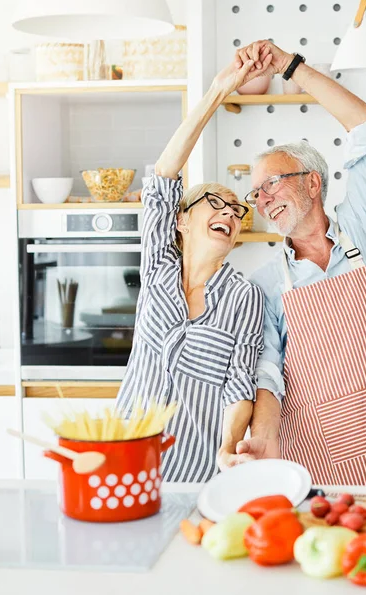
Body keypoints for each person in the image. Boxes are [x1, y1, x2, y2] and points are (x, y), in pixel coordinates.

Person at [224, 41, 366, 485]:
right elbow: (267, 369)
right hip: (322, 449)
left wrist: (288, 66)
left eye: (272, 184)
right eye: (255, 194)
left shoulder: (362, 232)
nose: (261, 200)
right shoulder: (264, 284)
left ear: (313, 183)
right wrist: (262, 435)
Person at [116, 57, 272, 483]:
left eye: (236, 210)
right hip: (126, 457)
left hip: (195, 472)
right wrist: (218, 92)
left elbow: (240, 386)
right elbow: (164, 176)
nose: (229, 212)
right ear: (182, 220)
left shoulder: (244, 296)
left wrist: (227, 449)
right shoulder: (158, 271)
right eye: (214, 203)